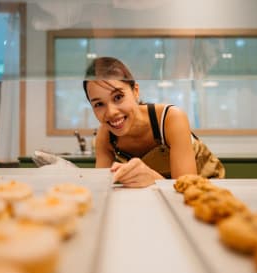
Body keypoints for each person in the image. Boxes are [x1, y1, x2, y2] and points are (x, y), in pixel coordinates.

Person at [83, 57, 224, 187]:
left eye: (118, 97)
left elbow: (187, 189)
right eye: (99, 104)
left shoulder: (171, 118)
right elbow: (102, 187)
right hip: (161, 193)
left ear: (135, 91)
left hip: (207, 189)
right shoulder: (105, 136)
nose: (111, 112)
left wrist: (151, 177)